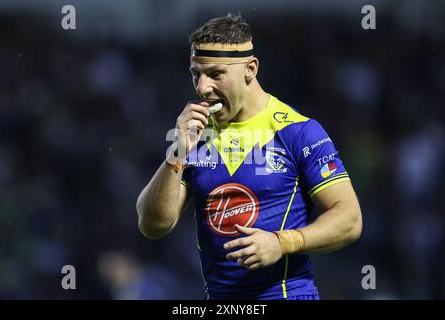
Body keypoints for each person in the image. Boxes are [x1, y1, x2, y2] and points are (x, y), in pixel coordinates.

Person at [136, 14, 362, 300]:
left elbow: (349, 219)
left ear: (250, 69)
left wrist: (283, 242)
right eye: (196, 74)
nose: (202, 88)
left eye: (216, 74)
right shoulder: (195, 135)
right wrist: (176, 153)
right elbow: (152, 225)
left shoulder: (298, 131)